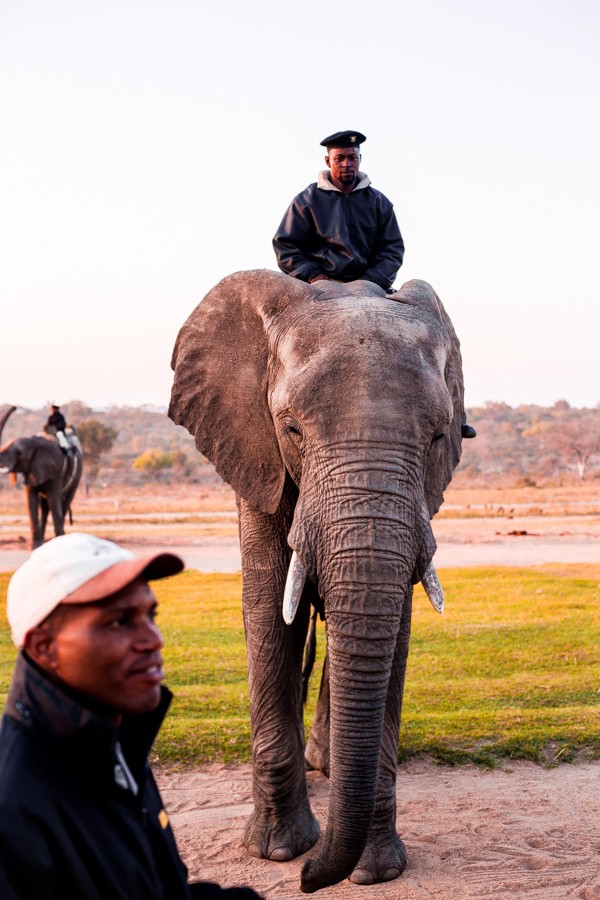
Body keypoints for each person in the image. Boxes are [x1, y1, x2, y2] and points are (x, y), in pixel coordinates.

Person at [0, 532, 264, 900]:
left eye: (150, 614)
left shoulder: (113, 743)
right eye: (119, 621)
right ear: (44, 647)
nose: (153, 638)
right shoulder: (14, 810)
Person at [273, 130, 405, 293]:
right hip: (319, 285)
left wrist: (370, 281)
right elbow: (285, 245)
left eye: (352, 157)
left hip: (369, 286)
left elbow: (392, 249)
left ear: (360, 159)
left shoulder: (379, 202)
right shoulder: (307, 200)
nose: (346, 164)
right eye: (339, 158)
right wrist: (314, 275)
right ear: (328, 161)